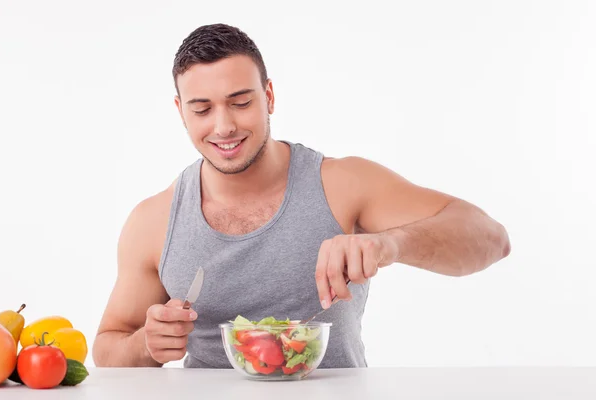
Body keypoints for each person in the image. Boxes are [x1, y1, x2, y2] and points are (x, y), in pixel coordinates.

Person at [92, 23, 511, 369]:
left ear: (269, 97)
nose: (223, 127)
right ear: (180, 111)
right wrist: (144, 345)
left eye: (240, 102)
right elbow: (108, 345)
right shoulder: (153, 220)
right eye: (202, 109)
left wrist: (390, 244)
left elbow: (491, 239)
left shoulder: (343, 183)